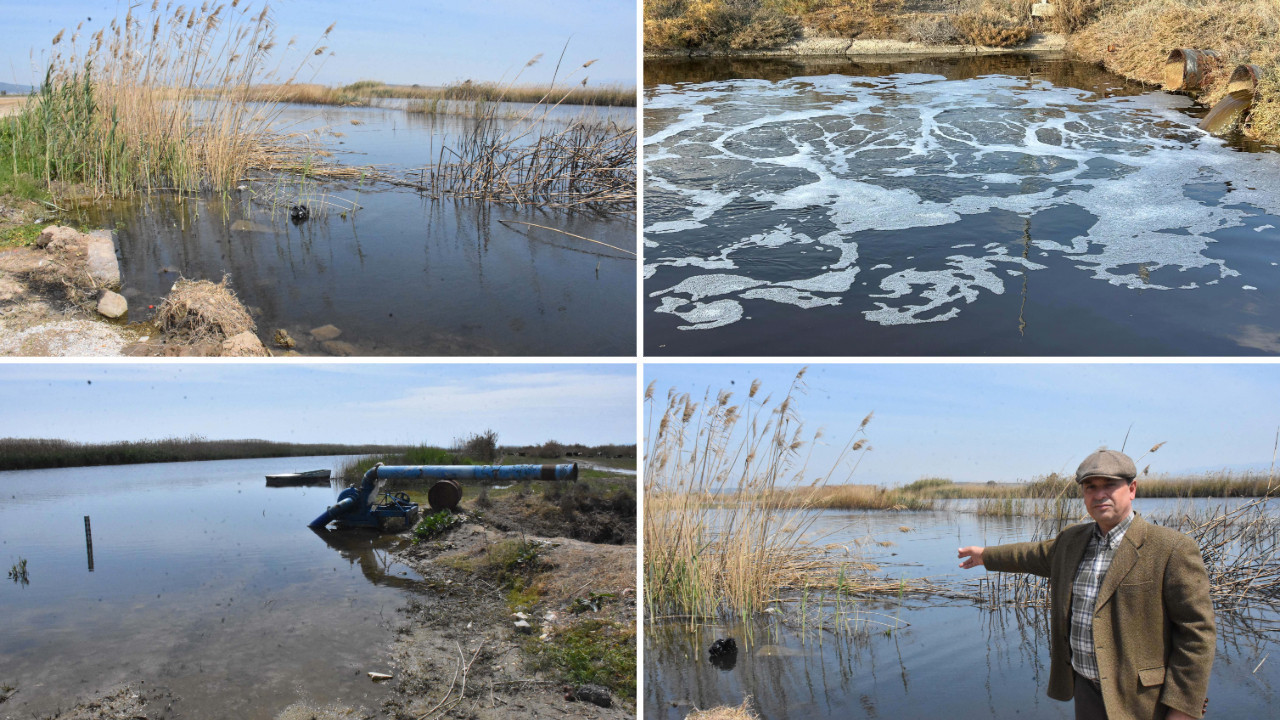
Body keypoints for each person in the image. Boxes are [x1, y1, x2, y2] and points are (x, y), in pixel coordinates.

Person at [957, 449, 1215, 720]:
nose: (1099, 494)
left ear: (1131, 489)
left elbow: (1197, 633)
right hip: (1086, 688)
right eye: (1090, 487)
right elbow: (1031, 555)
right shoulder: (1072, 541)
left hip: (1143, 698)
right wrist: (985, 556)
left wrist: (1183, 708)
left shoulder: (1171, 549)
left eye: (1109, 485)